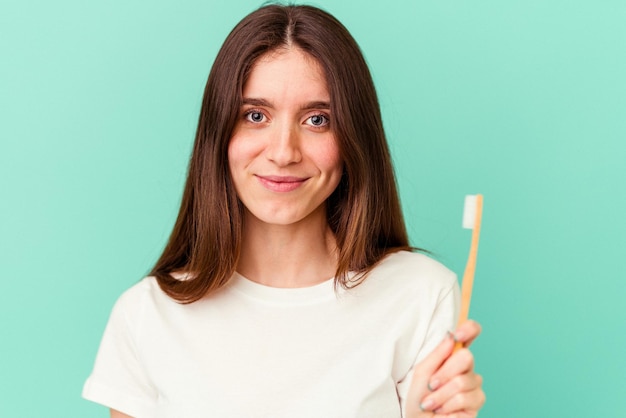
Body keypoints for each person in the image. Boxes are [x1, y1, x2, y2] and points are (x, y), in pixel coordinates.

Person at [83, 4, 485, 417]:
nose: (283, 152)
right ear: (218, 133)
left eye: (316, 119)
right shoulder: (147, 315)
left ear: (353, 138)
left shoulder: (419, 295)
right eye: (255, 116)